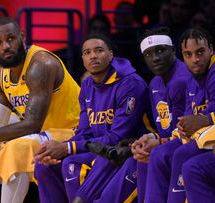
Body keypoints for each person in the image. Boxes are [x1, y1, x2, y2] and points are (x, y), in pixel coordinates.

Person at [0, 17, 80, 202]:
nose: (5, 46)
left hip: (73, 130)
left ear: (22, 37)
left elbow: (32, 125)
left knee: (15, 148)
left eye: (10, 39)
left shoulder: (41, 64)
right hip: (42, 133)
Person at [34, 33, 151, 203]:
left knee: (72, 164)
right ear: (82, 58)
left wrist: (69, 148)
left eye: (99, 50)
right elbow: (84, 131)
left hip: (125, 149)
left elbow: (118, 137)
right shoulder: (87, 85)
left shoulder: (130, 84)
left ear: (111, 54)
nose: (93, 56)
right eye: (87, 52)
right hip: (97, 149)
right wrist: (61, 147)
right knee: (44, 165)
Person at [84, 27, 190, 203]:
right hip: (168, 143)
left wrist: (157, 142)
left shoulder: (181, 80)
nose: (155, 58)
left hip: (187, 143)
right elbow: (164, 128)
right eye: (148, 54)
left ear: (173, 50)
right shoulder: (155, 82)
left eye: (161, 51)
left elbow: (183, 130)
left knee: (153, 155)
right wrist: (147, 139)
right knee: (142, 153)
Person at [145, 28, 215, 203]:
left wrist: (205, 119)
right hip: (201, 138)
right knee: (153, 154)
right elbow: (186, 120)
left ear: (211, 50)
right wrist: (180, 131)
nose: (195, 59)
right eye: (188, 54)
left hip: (208, 140)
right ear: (183, 57)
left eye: (200, 52)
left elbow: (204, 117)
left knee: (183, 156)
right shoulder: (191, 79)